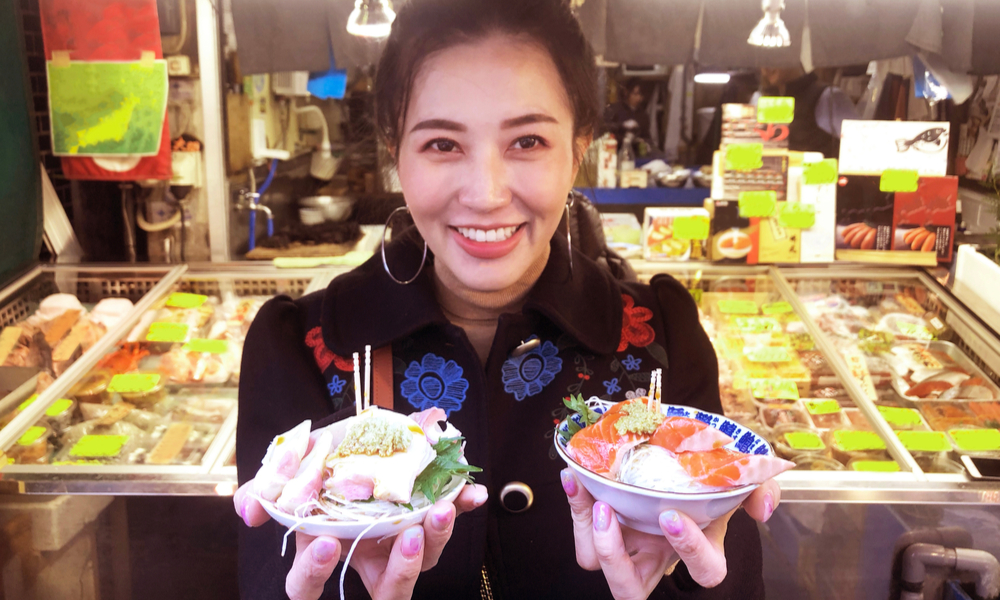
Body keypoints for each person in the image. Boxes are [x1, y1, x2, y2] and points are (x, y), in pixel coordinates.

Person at [233, 1, 781, 599]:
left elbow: (727, 574)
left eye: (527, 140)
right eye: (443, 144)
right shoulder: (302, 347)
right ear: (395, 151)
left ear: (578, 149)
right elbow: (269, 574)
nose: (487, 194)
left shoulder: (660, 341)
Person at [757, 67, 859, 158]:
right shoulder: (759, 99)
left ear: (792, 53)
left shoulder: (829, 97)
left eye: (772, 57)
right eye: (762, 60)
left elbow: (861, 147)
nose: (765, 69)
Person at [604, 78, 652, 147]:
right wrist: (622, 125)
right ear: (626, 92)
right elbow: (605, 128)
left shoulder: (643, 115)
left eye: (640, 95)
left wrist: (646, 143)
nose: (638, 98)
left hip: (636, 151)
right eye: (635, 94)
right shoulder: (614, 109)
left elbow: (646, 137)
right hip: (615, 149)